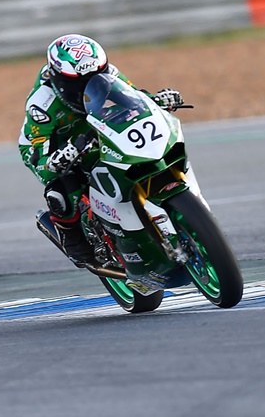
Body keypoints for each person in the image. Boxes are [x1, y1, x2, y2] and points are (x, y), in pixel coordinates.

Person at [18, 34, 185, 268]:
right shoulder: (41, 104)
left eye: (97, 78)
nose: (89, 88)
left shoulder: (110, 73)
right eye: (79, 84)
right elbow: (37, 152)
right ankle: (71, 238)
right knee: (62, 189)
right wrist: (57, 159)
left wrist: (156, 100)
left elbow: (134, 99)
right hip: (51, 147)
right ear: (59, 80)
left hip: (96, 126)